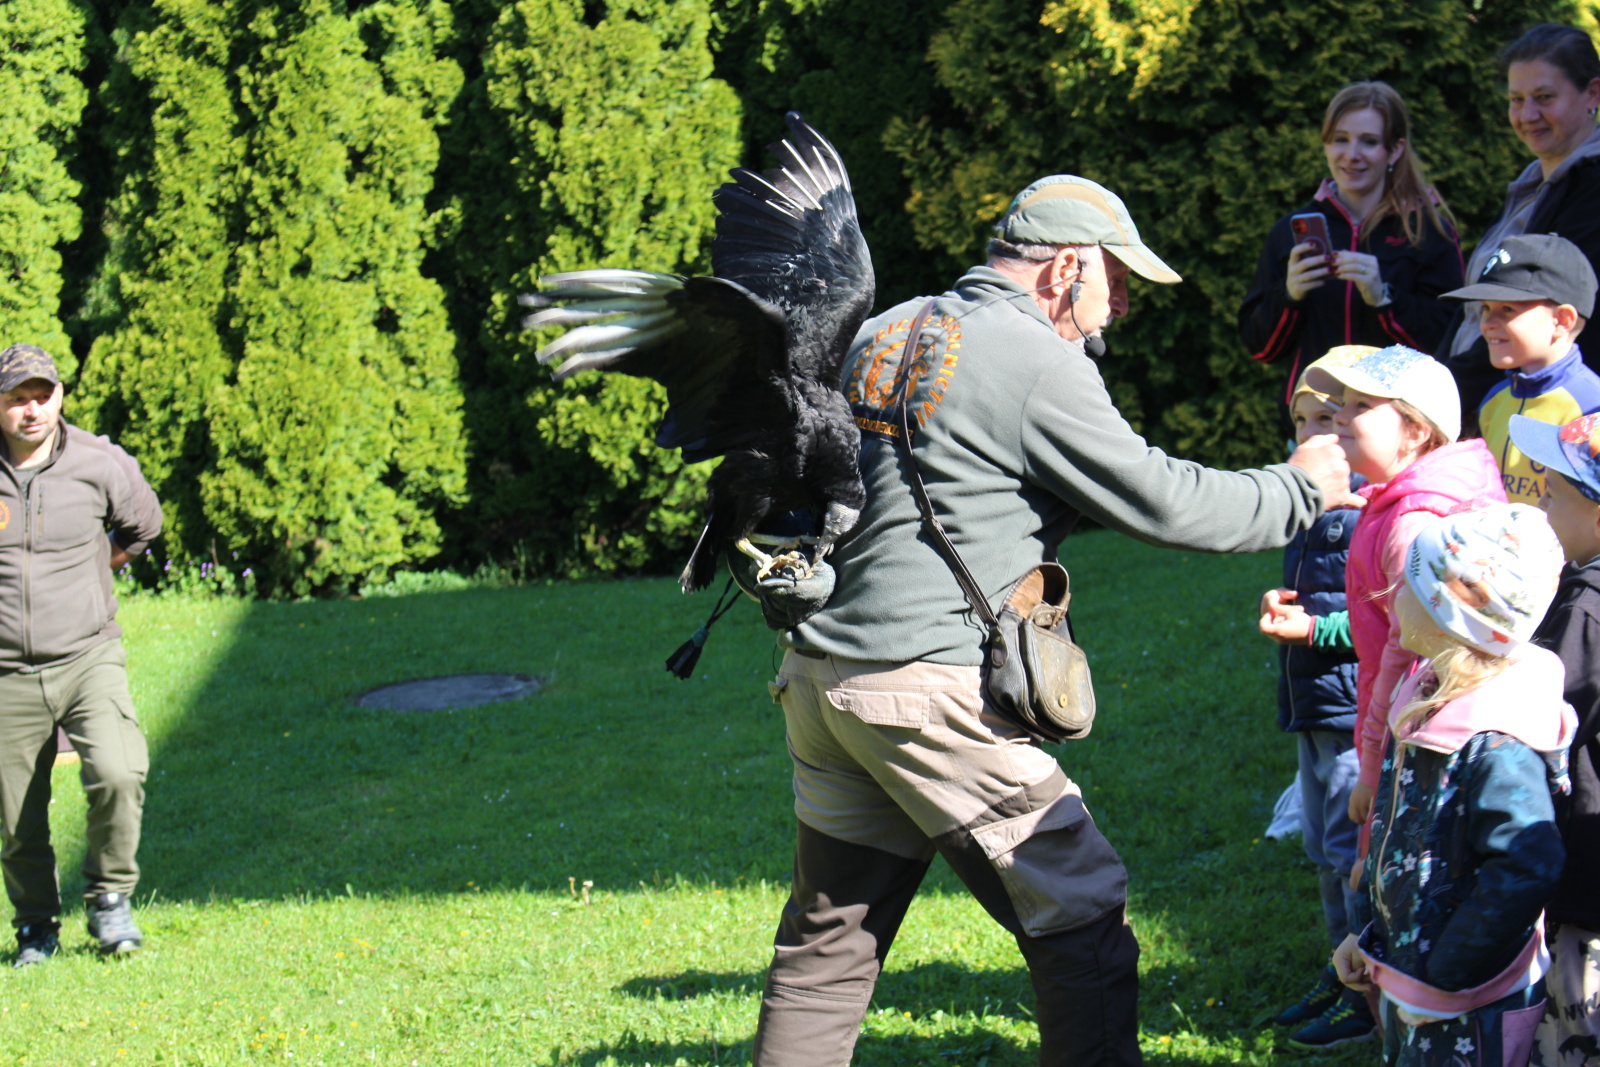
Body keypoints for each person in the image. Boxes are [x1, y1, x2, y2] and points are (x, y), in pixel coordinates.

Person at [751, 175, 1353, 1066]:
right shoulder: (1032, 356)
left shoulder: (889, 326)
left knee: (825, 950)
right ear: (1068, 268)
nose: (1119, 306)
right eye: (1117, 279)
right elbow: (1165, 500)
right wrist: (1303, 487)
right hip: (926, 691)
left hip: (820, 678)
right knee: (1084, 915)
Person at [1333, 502, 1571, 1067]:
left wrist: (1443, 973)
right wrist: (1368, 936)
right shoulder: (1428, 690)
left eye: (1409, 582)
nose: (1393, 590)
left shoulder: (1497, 739)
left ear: (1452, 612)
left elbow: (1528, 864)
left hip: (1466, 1004)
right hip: (1411, 979)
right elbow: (1398, 835)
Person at [0, 344, 163, 966]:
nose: (32, 410)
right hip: (6, 673)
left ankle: (110, 898)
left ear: (60, 397)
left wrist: (98, 566)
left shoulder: (99, 462)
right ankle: (36, 927)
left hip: (87, 656)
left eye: (42, 396)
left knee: (121, 772)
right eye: (17, 399)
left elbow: (143, 527)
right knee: (15, 818)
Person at [1301, 346, 1505, 829]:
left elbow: (1405, 656)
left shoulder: (1413, 525)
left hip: (1413, 732)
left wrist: (1373, 769)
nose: (1340, 416)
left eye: (1361, 406)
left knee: (1388, 848)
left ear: (1415, 432)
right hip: (1413, 719)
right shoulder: (1405, 500)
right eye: (1342, 403)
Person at [1255, 347, 1374, 1049]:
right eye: (1301, 421)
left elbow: (1382, 624)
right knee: (1324, 850)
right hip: (1315, 704)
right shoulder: (1316, 507)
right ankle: (1340, 969)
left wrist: (1312, 629)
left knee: (1352, 852)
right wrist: (1285, 606)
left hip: (1353, 709)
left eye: (1327, 420)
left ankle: (1366, 992)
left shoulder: (1368, 512)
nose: (1311, 435)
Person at [1239, 81, 1463, 432]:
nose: (1351, 154)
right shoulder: (1290, 231)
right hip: (1312, 432)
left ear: (1394, 150)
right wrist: (1290, 296)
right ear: (1325, 144)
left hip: (1391, 436)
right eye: (1340, 139)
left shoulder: (1429, 232)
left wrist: (1384, 299)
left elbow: (1448, 341)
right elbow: (1261, 349)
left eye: (1369, 141)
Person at [1441, 23, 1600, 424]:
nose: (1528, 115)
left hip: (1549, 420)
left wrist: (1432, 399)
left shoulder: (1593, 188)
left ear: (1593, 94)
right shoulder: (1533, 186)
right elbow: (1475, 313)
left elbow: (1529, 319)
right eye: (1517, 100)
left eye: (1544, 98)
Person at [1510, 413, 1600, 1067]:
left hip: (1586, 879)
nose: (1539, 503)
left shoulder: (1585, 612)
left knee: (1576, 1027)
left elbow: (1539, 715)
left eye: (1553, 492)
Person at [1441, 233, 1600, 505]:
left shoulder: (1591, 407)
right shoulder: (1494, 399)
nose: (1488, 323)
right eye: (1485, 308)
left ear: (1562, 320)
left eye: (1507, 309)